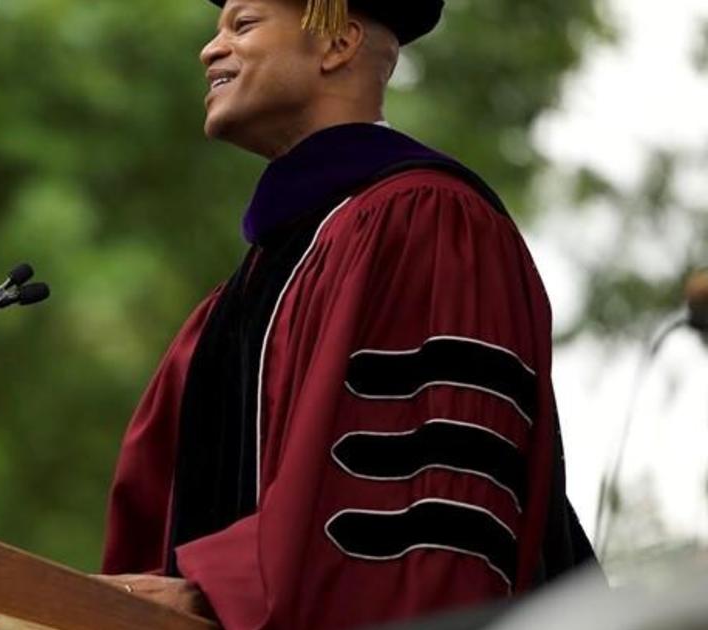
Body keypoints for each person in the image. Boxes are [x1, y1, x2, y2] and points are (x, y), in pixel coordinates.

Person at [94, 0, 597, 628]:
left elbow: (428, 521)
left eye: (242, 25)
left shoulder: (431, 225)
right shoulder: (234, 303)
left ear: (337, 46)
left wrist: (219, 593)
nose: (210, 49)